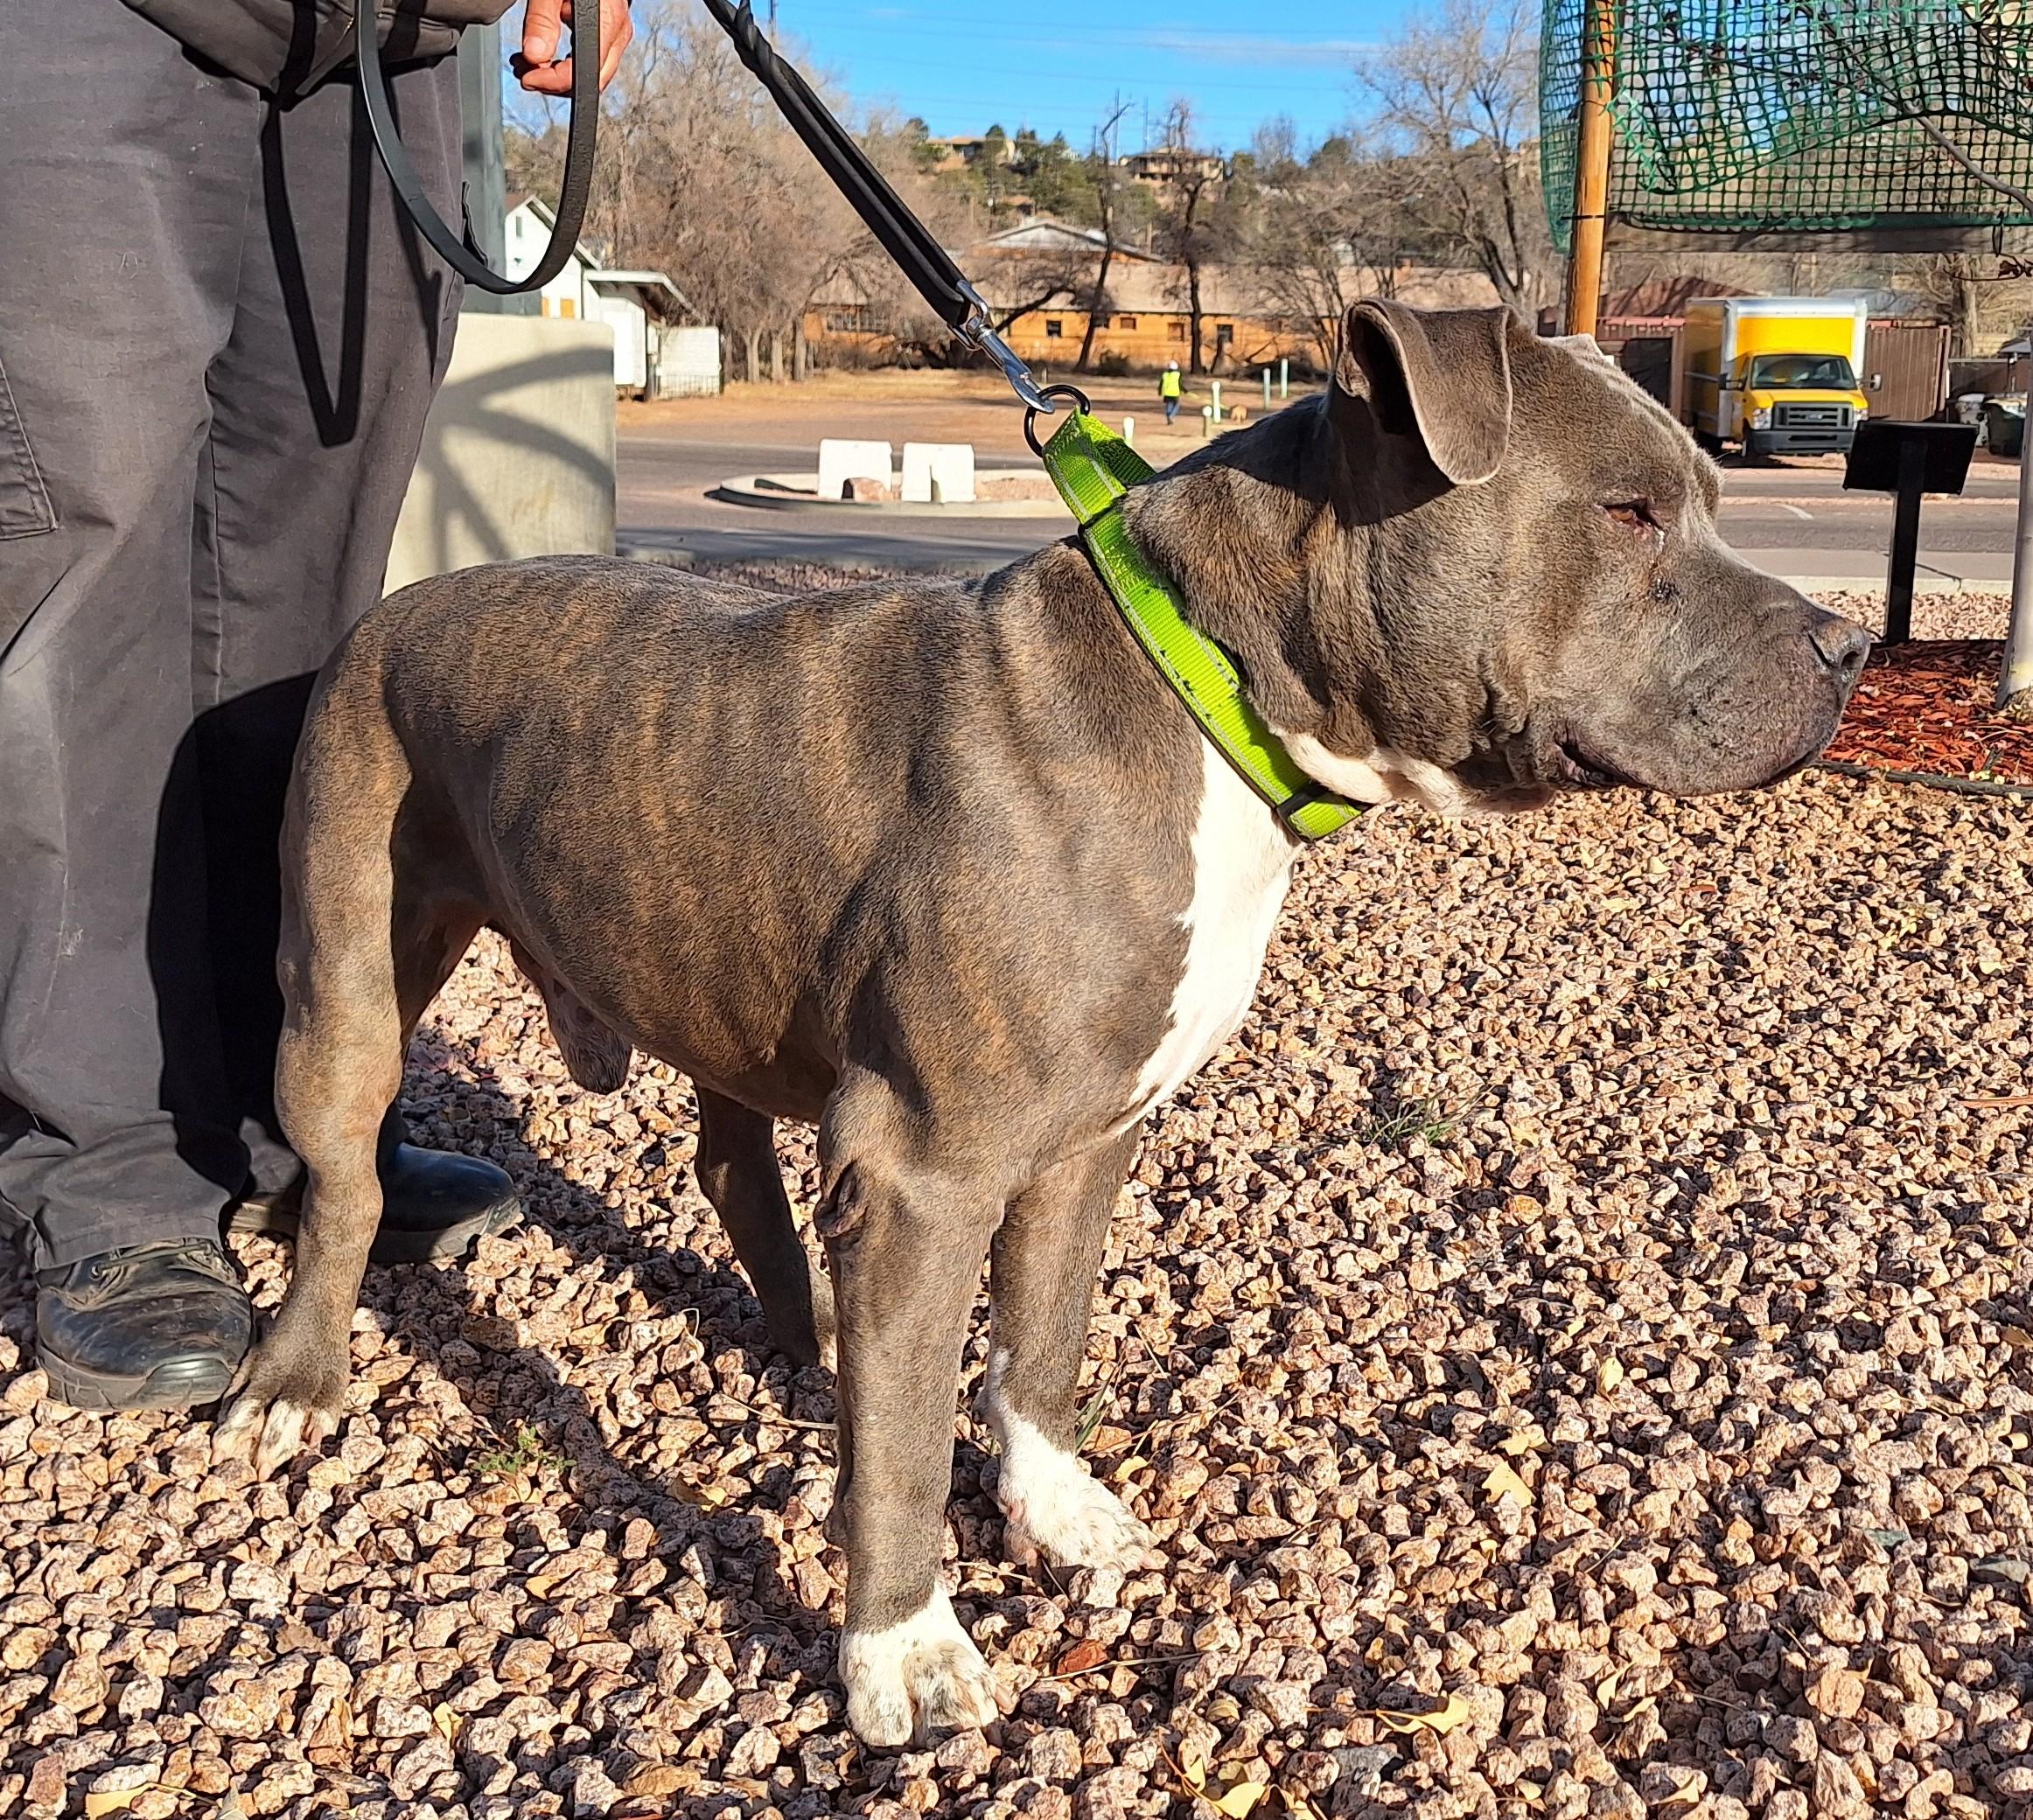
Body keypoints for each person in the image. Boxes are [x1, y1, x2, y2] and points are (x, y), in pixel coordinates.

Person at [0, 0, 631, 1412]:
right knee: (84, 549)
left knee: (317, 584)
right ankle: (105, 1171)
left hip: (392, 42)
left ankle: (300, 1124)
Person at [1160, 359, 1184, 423]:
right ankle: (1171, 416)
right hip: (1175, 392)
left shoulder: (1165, 374)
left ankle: (1168, 418)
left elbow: (1162, 384)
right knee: (1177, 405)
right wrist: (1184, 390)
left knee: (1169, 405)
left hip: (1167, 393)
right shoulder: (1178, 374)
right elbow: (1180, 384)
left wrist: (1160, 391)